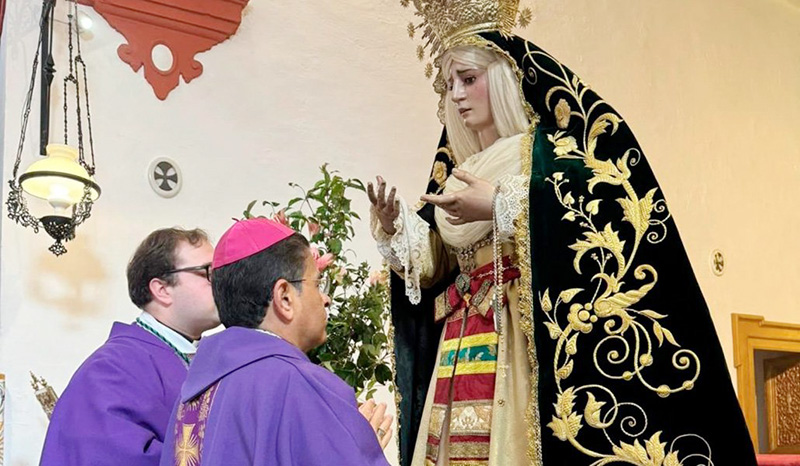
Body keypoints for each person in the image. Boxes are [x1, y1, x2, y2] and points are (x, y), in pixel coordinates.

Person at [368, 1, 758, 465]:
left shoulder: (548, 154)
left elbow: (595, 205)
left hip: (520, 336)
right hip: (462, 338)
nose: (456, 95)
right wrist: (396, 230)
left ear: (502, 78)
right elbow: (438, 265)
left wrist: (499, 204)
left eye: (468, 80)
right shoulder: (459, 171)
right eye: (449, 84)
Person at [159, 218, 393, 466]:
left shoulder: (192, 394)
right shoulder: (299, 384)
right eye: (316, 283)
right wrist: (358, 448)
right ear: (284, 298)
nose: (325, 299)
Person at [40, 228, 219, 466]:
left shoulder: (203, 358)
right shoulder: (111, 369)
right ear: (162, 290)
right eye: (208, 273)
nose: (221, 284)